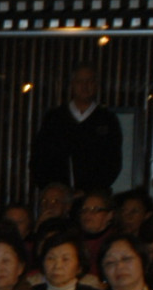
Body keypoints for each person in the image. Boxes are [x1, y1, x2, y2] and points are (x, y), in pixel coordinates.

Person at [29, 62, 121, 194]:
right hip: (57, 197)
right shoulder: (54, 118)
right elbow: (39, 158)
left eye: (90, 81)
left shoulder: (107, 119)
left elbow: (113, 163)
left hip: (93, 196)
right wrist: (51, 189)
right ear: (71, 85)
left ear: (96, 85)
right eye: (79, 82)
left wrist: (89, 190)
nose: (85, 86)